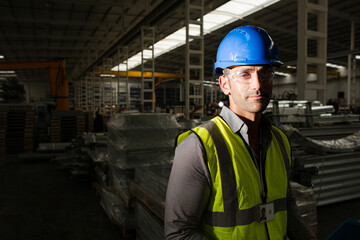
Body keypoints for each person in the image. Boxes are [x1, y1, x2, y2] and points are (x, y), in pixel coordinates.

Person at [164, 26, 317, 240]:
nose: (257, 85)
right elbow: (179, 234)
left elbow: (286, 206)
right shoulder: (199, 146)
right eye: (245, 74)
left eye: (265, 73)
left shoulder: (280, 141)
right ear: (224, 84)